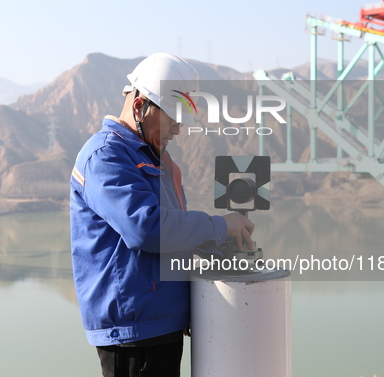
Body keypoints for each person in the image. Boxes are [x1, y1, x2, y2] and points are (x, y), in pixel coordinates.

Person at [70, 52, 254, 377]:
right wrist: (220, 225)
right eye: (172, 120)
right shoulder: (105, 158)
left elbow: (175, 235)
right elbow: (147, 228)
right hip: (133, 333)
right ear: (140, 107)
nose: (178, 130)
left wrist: (220, 248)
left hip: (161, 324)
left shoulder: (159, 161)